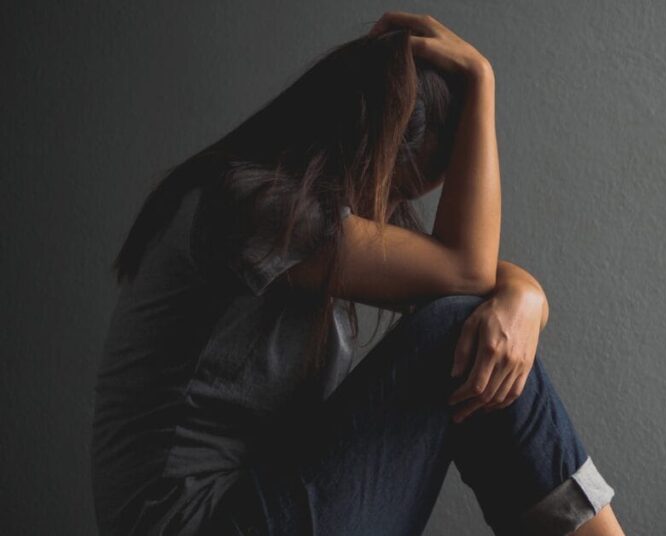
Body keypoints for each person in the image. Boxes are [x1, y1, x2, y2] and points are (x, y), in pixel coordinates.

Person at [90, 10, 625, 536]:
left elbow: (469, 276)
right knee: (461, 324)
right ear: (381, 151)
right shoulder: (250, 206)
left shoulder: (280, 216)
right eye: (402, 187)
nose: (393, 207)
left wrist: (526, 296)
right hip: (205, 520)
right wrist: (481, 79)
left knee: (475, 326)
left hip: (251, 505)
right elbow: (465, 274)